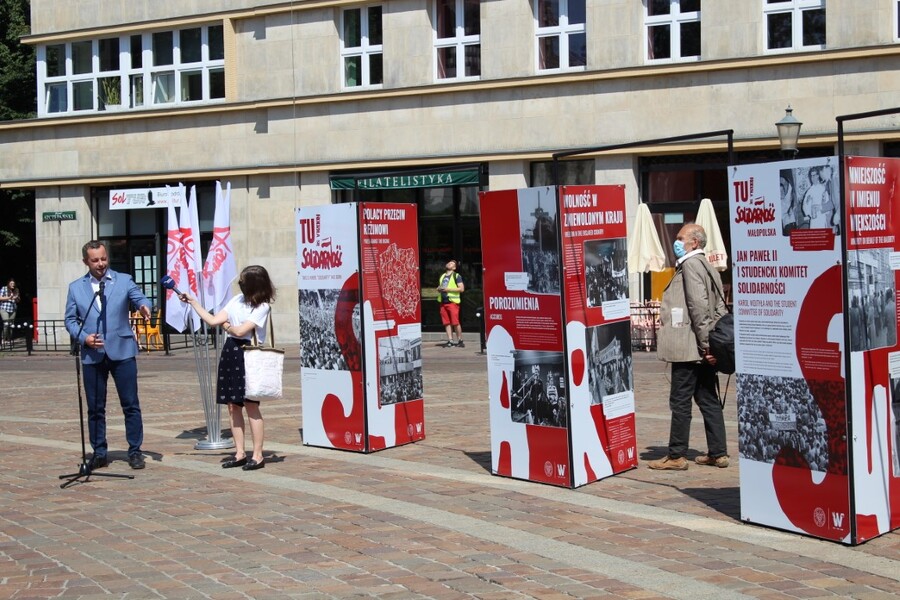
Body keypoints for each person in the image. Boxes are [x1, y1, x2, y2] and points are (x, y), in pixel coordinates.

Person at [65, 240, 152, 470]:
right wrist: (84, 337)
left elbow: (140, 298)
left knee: (130, 404)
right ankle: (99, 452)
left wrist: (145, 306)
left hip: (122, 351)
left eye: (103, 258)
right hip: (92, 355)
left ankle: (135, 451)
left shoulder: (123, 280)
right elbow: (70, 320)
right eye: (95, 260)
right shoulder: (76, 287)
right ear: (86, 261)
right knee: (95, 408)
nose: (101, 264)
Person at [179, 265, 275, 471]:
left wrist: (228, 326)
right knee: (233, 406)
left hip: (248, 353)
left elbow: (240, 330)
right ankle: (240, 452)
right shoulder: (236, 300)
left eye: (243, 280)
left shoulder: (262, 306)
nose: (240, 283)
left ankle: (257, 455)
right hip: (231, 351)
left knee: (251, 404)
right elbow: (213, 320)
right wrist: (194, 302)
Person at [649, 223, 729, 470]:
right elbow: (719, 307)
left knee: (680, 400)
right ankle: (718, 453)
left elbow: (698, 307)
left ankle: (676, 455)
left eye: (680, 237)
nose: (676, 241)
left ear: (694, 242)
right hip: (701, 346)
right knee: (707, 398)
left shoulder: (692, 265)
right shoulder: (708, 266)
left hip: (690, 346)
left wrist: (706, 345)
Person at [436, 259, 465, 348]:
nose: (449, 263)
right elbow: (440, 287)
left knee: (455, 322)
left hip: (452, 302)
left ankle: (460, 340)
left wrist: (448, 289)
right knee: (447, 323)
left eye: (452, 263)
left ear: (454, 268)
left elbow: (461, 289)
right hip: (443, 302)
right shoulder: (442, 276)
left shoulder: (457, 276)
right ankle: (450, 340)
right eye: (449, 262)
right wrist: (438, 288)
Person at [0, 278, 20, 343]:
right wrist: (9, 298)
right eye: (11, 283)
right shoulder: (4, 288)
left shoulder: (16, 290)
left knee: (11, 325)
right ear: (8, 283)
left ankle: (9, 339)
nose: (12, 285)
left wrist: (16, 298)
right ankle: (3, 339)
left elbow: (18, 300)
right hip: (4, 308)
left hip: (13, 309)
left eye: (13, 284)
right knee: (6, 323)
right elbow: (0, 298)